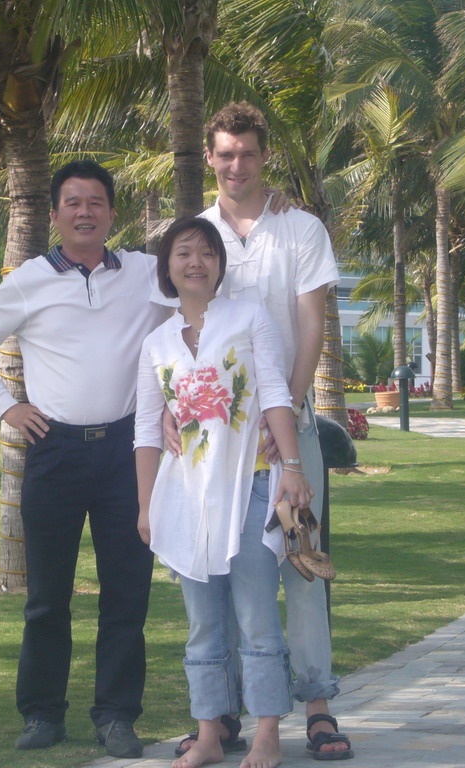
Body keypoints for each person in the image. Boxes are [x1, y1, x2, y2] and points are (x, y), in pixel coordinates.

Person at [0, 160, 170, 759]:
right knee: (48, 596)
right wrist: (7, 407)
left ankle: (117, 716)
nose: (84, 212)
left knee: (127, 594)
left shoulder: (148, 274)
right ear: (54, 214)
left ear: (111, 213)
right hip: (53, 453)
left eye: (96, 202)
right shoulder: (29, 279)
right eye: (72, 202)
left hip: (129, 452)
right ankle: (42, 716)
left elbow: (206, 275)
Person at [170, 102, 352, 760]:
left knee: (302, 566)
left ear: (263, 155)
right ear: (210, 157)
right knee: (214, 569)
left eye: (247, 153)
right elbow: (184, 327)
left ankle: (319, 707)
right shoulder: (196, 234)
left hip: (289, 427)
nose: (236, 165)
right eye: (225, 154)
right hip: (215, 437)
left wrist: (287, 415)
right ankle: (218, 719)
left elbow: (311, 325)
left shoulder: (299, 229)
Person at [136, 217, 314, 768]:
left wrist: (291, 464)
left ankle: (266, 733)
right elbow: (146, 430)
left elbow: (275, 392)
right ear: (167, 268)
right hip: (185, 498)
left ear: (220, 265)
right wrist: (145, 508)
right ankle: (208, 734)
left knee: (257, 615)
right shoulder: (156, 343)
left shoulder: (248, 317)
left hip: (252, 485)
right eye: (184, 253)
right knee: (202, 625)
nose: (196, 262)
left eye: (207, 252)